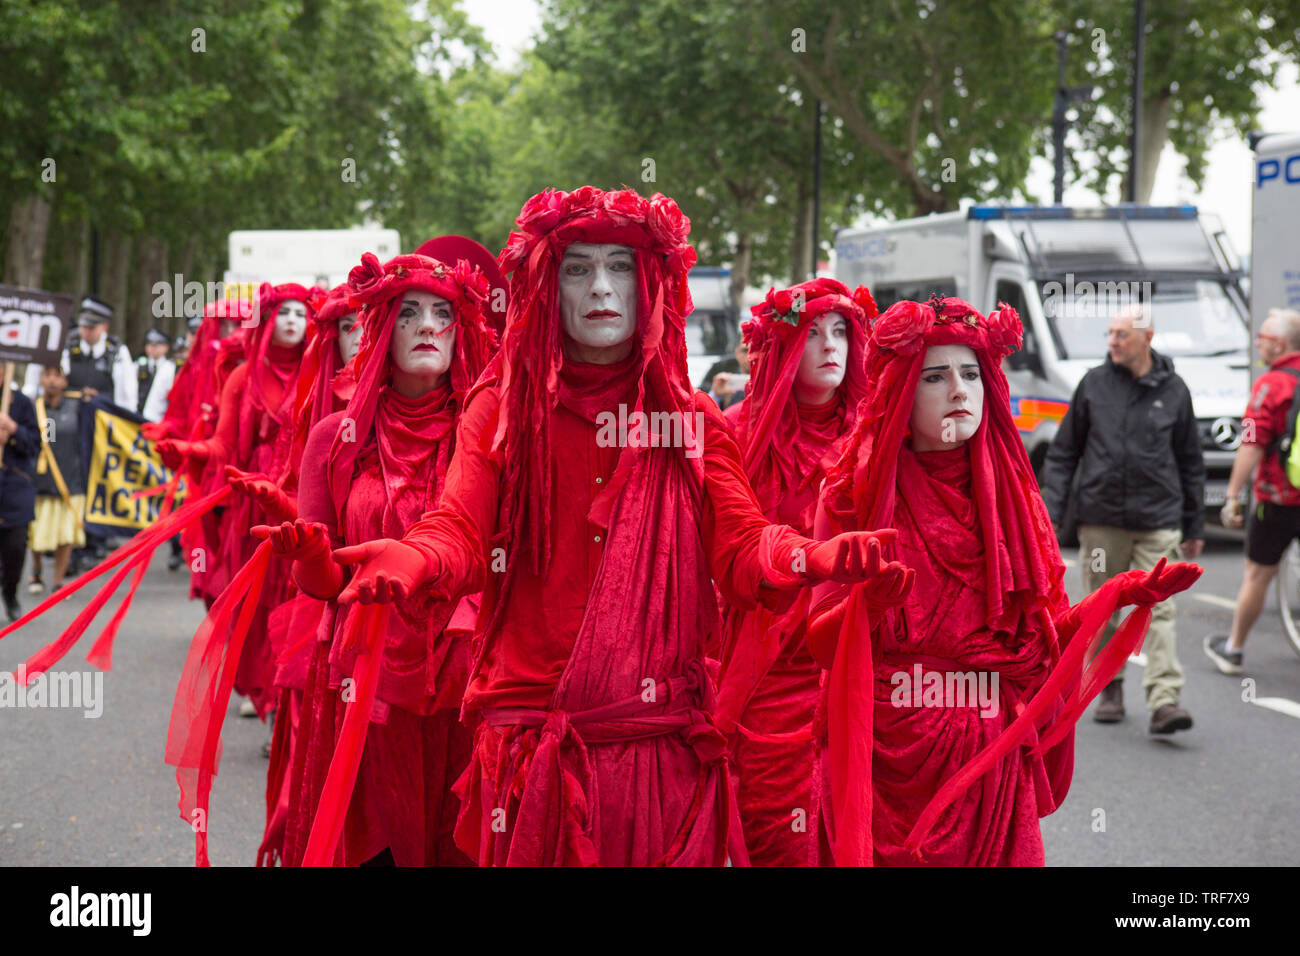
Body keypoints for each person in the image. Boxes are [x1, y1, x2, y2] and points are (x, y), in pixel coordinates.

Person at [332, 186, 906, 866]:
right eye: (578, 268)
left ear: (651, 285)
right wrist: (418, 558)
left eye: (620, 267)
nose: (600, 287)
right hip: (536, 756)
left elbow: (745, 545)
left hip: (662, 763)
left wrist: (810, 559)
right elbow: (457, 527)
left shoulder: (690, 419)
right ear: (550, 285)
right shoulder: (501, 409)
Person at [805, 295, 1202, 866]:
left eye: (971, 373)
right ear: (899, 394)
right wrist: (864, 607)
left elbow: (1039, 648)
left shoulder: (1016, 505)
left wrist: (1118, 597)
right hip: (884, 761)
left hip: (989, 765)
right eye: (935, 377)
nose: (959, 390)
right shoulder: (851, 496)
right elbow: (821, 646)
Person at [258, 253, 496, 866]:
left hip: (467, 679)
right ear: (382, 328)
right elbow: (323, 585)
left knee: (461, 841)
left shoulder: (494, 434)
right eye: (409, 312)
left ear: (462, 331)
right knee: (372, 846)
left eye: (443, 314)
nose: (426, 327)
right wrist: (311, 557)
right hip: (363, 677)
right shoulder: (333, 436)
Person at [713, 277, 874, 865]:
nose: (832, 346)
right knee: (773, 828)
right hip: (763, 663)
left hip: (853, 662)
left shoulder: (875, 436)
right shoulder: (735, 431)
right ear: (783, 345)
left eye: (842, 332)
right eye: (814, 333)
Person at [1040, 304, 1205, 734]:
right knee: (1103, 605)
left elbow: (1190, 461)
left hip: (1159, 517)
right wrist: (1049, 515)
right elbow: (1063, 454)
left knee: (1159, 607)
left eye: (1121, 335)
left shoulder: (1175, 390)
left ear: (1147, 337)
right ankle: (1108, 684)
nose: (1112, 342)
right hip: (1100, 519)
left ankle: (1164, 700)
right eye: (1110, 334)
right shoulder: (1093, 385)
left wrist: (1195, 525)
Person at [158, 284, 315, 719]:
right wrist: (187, 452)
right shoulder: (242, 377)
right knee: (252, 599)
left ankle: (284, 694)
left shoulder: (320, 371)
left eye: (300, 314)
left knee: (297, 594)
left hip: (304, 499)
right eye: (283, 312)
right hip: (251, 504)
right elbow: (224, 446)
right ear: (267, 319)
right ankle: (263, 688)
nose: (291, 321)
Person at [1206, 307, 1300, 674]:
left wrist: (1232, 496)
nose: (1257, 342)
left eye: (1261, 338)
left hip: (1276, 498)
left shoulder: (1270, 385)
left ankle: (1234, 648)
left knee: (1258, 574)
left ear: (1277, 345)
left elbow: (1251, 442)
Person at [24, 296, 135, 569]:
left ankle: (94, 539)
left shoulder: (117, 352)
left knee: (97, 479)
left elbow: (126, 397)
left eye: (92, 327)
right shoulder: (68, 346)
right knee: (69, 478)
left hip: (101, 428)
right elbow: (51, 382)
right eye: (84, 326)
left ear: (104, 328)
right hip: (68, 426)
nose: (86, 331)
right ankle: (71, 547)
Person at [26, 367, 86, 595]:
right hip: (40, 480)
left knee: (65, 533)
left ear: (64, 381)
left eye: (56, 376)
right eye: (47, 375)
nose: (51, 380)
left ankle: (58, 581)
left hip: (70, 479)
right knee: (36, 531)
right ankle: (37, 569)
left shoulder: (78, 407)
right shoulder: (33, 408)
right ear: (40, 379)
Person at [0, 379, 40, 621]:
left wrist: (14, 430)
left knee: (15, 547)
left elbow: (42, 442)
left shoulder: (25, 403)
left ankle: (12, 592)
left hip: (17, 485)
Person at [135, 328, 176, 422]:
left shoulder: (171, 368)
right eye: (149, 344)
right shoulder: (138, 365)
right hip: (138, 415)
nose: (152, 348)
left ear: (166, 347)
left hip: (162, 418)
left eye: (157, 345)